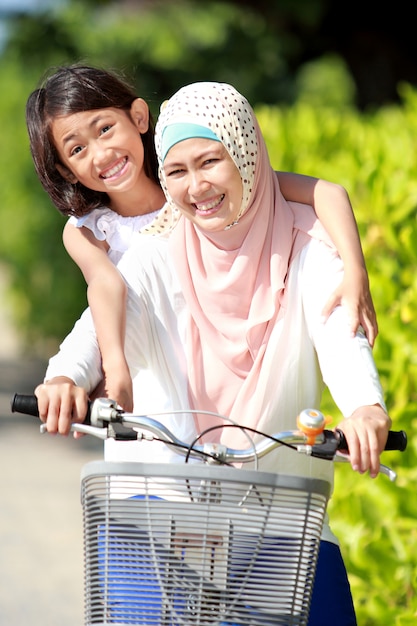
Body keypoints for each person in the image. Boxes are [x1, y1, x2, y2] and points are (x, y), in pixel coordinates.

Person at [35, 81, 391, 625]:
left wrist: (364, 406)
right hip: (155, 506)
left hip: (277, 508)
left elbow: (339, 329)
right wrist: (65, 377)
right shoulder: (155, 250)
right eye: (177, 172)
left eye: (212, 162)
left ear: (246, 155)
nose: (196, 187)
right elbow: (103, 319)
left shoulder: (309, 245)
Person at [27, 65, 378, 415]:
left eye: (105, 129)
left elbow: (326, 193)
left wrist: (355, 273)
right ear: (64, 169)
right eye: (76, 150)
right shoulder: (96, 232)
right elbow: (107, 292)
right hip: (146, 398)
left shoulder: (194, 202)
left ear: (138, 117)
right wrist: (93, 371)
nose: (101, 154)